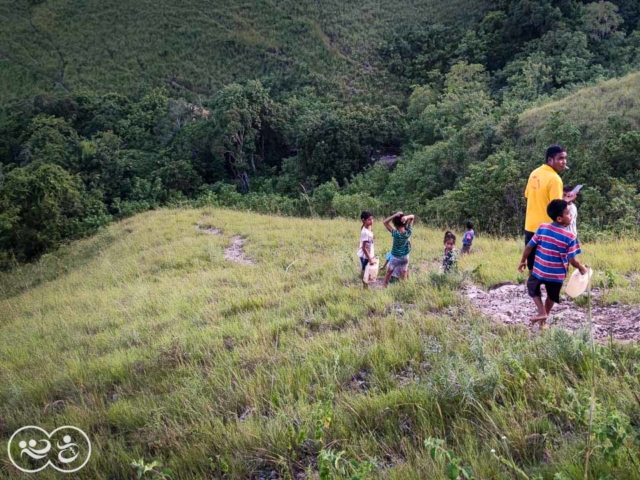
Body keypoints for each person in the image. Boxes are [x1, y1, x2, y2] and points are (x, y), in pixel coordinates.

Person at [517, 199, 587, 329]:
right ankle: (544, 317)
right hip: (556, 275)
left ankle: (541, 311)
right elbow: (573, 261)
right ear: (560, 218)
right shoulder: (570, 236)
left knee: (532, 287)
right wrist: (582, 268)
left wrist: (522, 261)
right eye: (568, 213)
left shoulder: (543, 227)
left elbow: (529, 246)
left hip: (539, 270)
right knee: (552, 296)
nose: (570, 215)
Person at [523, 145, 577, 271]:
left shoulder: (534, 173)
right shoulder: (555, 179)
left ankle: (533, 290)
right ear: (550, 160)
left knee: (533, 267)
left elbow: (527, 196)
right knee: (552, 267)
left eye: (565, 158)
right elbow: (556, 207)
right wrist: (567, 201)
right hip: (546, 230)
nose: (564, 162)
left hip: (530, 226)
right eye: (560, 158)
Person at [382, 211, 414, 287]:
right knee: (404, 274)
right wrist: (406, 217)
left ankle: (384, 286)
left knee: (389, 272)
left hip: (396, 257)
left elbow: (385, 222)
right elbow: (412, 217)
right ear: (404, 223)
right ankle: (404, 288)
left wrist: (394, 215)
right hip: (405, 257)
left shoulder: (395, 233)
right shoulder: (408, 232)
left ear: (395, 224)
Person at [357, 211, 376, 287]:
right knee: (365, 271)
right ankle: (365, 286)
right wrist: (370, 259)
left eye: (372, 219)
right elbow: (364, 248)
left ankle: (366, 285)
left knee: (367, 270)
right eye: (369, 219)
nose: (371, 221)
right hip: (365, 255)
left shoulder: (369, 227)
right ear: (363, 220)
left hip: (368, 253)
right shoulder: (364, 232)